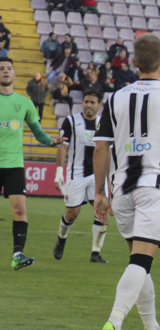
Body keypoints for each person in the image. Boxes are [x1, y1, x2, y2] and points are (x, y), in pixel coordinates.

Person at [94, 33, 160, 330]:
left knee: (138, 260)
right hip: (156, 185)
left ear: (135, 63)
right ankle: (114, 321)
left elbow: (101, 149)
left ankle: (152, 329)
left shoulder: (115, 98)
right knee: (141, 262)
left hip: (122, 189)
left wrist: (99, 192)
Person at [0, 57, 65, 270]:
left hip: (14, 164)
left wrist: (52, 141)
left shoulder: (25, 103)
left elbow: (38, 133)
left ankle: (17, 255)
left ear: (15, 74)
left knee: (20, 209)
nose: (6, 71)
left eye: (9, 68)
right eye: (1, 69)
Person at [53, 91, 110, 263]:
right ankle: (61, 239)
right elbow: (62, 147)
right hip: (75, 174)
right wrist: (58, 172)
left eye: (92, 102)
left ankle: (95, 252)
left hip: (96, 175)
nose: (88, 105)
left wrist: (110, 178)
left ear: (99, 105)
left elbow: (109, 152)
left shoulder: (104, 123)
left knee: (101, 211)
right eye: (86, 102)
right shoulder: (71, 121)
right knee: (72, 214)